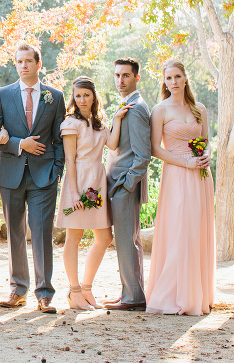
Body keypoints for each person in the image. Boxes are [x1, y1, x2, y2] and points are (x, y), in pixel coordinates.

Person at [0, 41, 65, 313]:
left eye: (28, 61)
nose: (23, 66)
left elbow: (59, 138)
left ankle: (44, 294)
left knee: (42, 234)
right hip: (11, 173)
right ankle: (17, 290)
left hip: (44, 176)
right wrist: (20, 144)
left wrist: (57, 170)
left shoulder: (54, 97)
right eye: (19, 62)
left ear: (38, 64)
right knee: (15, 233)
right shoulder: (2, 95)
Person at [144, 59, 215, 316]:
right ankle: (173, 294)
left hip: (201, 177)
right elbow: (154, 149)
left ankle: (198, 294)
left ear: (186, 78)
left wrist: (207, 154)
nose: (172, 82)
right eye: (168, 78)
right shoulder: (160, 110)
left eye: (177, 77)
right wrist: (186, 162)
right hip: (176, 174)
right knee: (179, 230)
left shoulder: (200, 109)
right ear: (164, 81)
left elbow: (206, 140)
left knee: (196, 231)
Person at [55, 76, 113, 311]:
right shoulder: (71, 122)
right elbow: (70, 159)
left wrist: (118, 118)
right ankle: (74, 290)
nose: (82, 100)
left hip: (98, 181)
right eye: (77, 95)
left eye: (86, 95)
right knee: (74, 237)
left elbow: (114, 144)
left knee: (104, 238)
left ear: (94, 96)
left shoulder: (100, 121)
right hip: (78, 182)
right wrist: (75, 194)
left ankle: (87, 288)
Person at [103, 57, 152, 311]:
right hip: (118, 183)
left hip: (124, 184)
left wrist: (127, 184)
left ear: (136, 77)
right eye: (117, 75)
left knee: (126, 241)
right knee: (127, 240)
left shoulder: (137, 108)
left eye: (126, 75)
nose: (120, 80)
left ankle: (133, 297)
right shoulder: (127, 105)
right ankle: (130, 292)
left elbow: (144, 154)